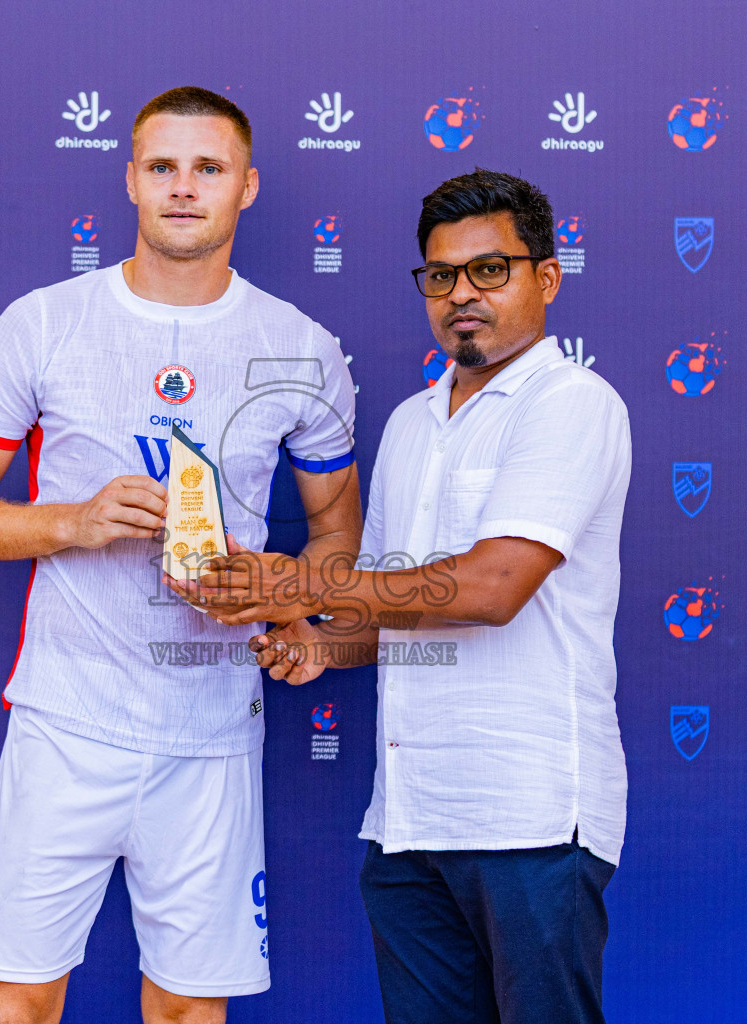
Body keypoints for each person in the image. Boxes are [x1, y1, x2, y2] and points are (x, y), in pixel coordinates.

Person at [0, 86, 361, 1024]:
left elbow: (338, 539)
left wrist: (283, 600)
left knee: (191, 1013)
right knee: (16, 1001)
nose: (184, 188)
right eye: (163, 167)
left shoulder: (302, 348)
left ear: (247, 187)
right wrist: (73, 521)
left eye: (209, 169)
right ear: (131, 181)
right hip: (65, 719)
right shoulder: (44, 322)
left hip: (212, 727)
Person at [178, 169, 631, 1024]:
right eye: (441, 275)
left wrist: (299, 579)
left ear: (546, 277)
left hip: (528, 818)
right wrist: (318, 640)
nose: (462, 293)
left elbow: (493, 589)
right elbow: (397, 610)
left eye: (490, 270)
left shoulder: (573, 406)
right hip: (409, 823)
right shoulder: (410, 424)